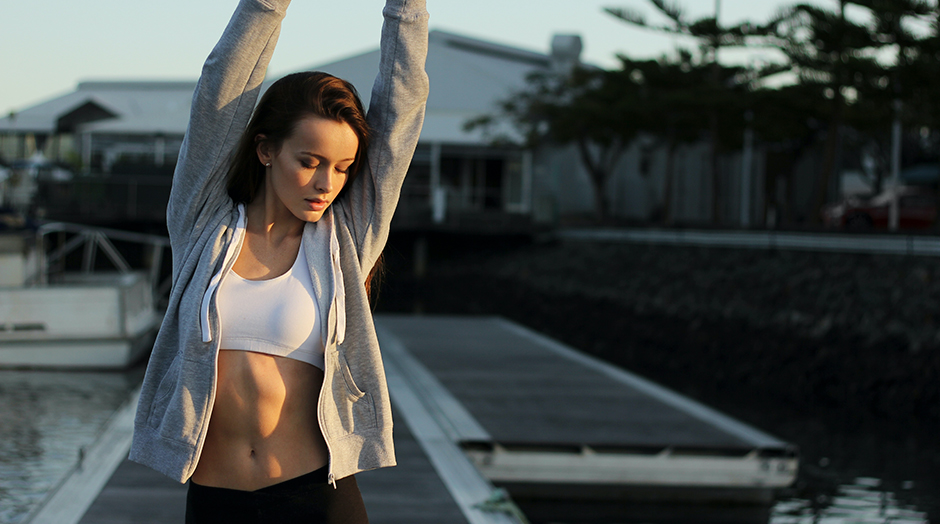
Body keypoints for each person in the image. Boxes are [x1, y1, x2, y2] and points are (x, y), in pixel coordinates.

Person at [128, 0, 429, 522]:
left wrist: (406, 11)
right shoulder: (204, 224)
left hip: (315, 497)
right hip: (215, 501)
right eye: (309, 161)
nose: (324, 184)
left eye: (341, 168)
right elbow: (220, 88)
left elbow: (401, 114)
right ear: (266, 150)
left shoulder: (345, 241)